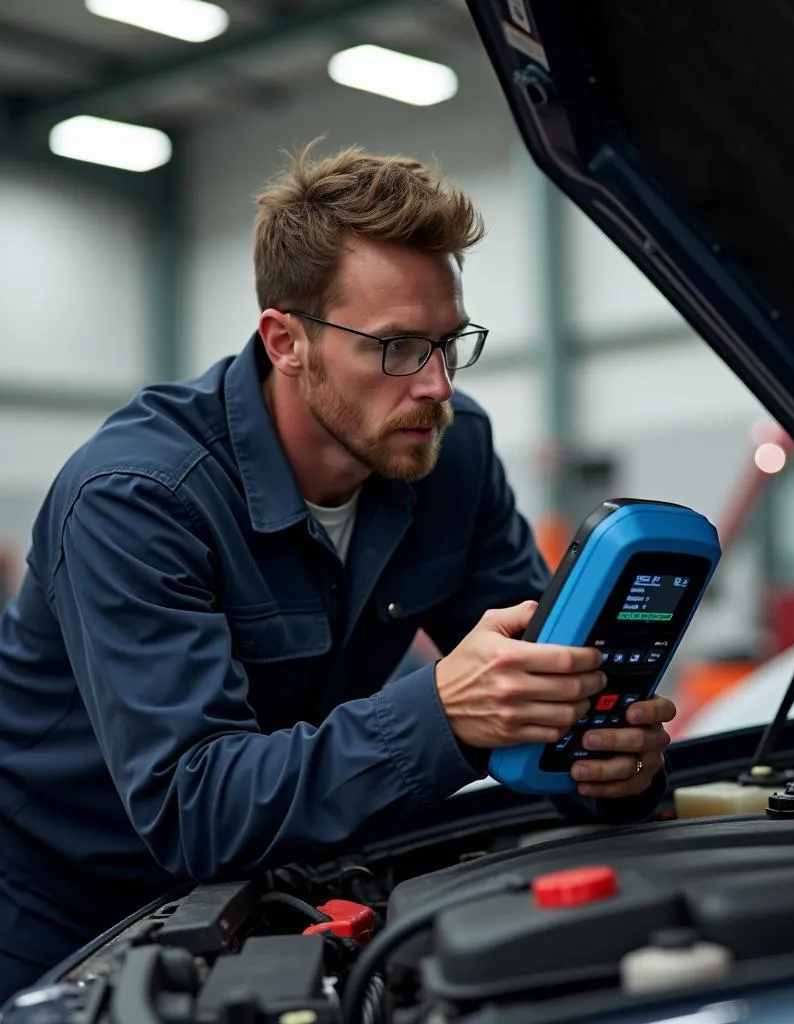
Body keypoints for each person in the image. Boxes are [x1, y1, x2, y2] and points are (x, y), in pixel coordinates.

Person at [0, 142, 675, 1000]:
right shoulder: (137, 499)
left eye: (448, 342)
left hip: (276, 884)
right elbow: (193, 803)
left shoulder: (449, 455)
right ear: (287, 341)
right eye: (395, 348)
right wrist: (444, 714)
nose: (435, 385)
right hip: (63, 907)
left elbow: (542, 678)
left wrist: (612, 767)